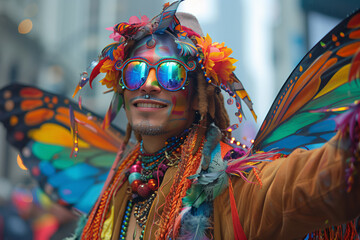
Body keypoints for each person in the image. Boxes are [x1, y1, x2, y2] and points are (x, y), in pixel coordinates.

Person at [66, 1, 360, 240]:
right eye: (135, 72)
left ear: (198, 98)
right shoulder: (117, 187)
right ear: (123, 90)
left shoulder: (230, 185)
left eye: (171, 73)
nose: (148, 84)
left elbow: (307, 180)